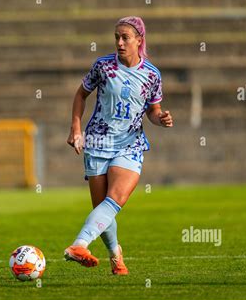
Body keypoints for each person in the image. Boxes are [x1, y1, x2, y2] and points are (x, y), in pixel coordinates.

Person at [64, 16, 173, 275]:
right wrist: (76, 128)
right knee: (101, 207)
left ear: (139, 40)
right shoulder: (102, 66)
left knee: (115, 199)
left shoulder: (152, 75)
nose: (120, 42)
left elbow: (153, 111)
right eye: (117, 37)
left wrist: (161, 119)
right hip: (98, 141)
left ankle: (79, 244)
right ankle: (116, 255)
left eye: (125, 37)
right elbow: (81, 94)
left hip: (130, 144)